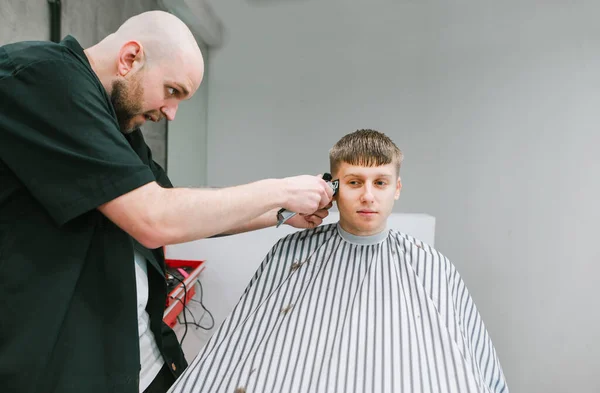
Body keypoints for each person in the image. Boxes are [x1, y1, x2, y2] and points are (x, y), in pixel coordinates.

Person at [0, 10, 333, 393]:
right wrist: (280, 190)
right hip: (64, 364)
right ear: (130, 58)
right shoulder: (41, 78)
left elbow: (176, 208)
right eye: (172, 91)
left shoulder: (113, 116)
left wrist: (279, 214)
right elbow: (154, 219)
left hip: (140, 357)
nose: (171, 113)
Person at [167, 129, 509, 393]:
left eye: (380, 183)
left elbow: (478, 366)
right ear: (332, 188)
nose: (368, 195)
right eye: (354, 182)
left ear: (397, 188)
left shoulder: (432, 266)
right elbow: (237, 346)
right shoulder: (293, 253)